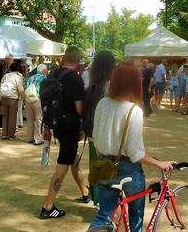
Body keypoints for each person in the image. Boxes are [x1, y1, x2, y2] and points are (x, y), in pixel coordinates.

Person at [87, 61, 175, 232]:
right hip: (128, 169)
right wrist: (160, 163)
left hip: (104, 165)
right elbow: (135, 153)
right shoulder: (134, 110)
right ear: (135, 83)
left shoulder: (102, 104)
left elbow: (95, 139)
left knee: (103, 215)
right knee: (135, 214)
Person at [39, 46, 90, 219]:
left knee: (72, 159)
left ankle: (85, 192)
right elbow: (79, 107)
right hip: (70, 126)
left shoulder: (54, 73)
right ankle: (48, 207)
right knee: (63, 164)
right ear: (77, 63)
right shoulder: (75, 79)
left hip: (56, 125)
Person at [83, 50, 116, 206]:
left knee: (96, 167)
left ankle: (97, 200)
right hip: (109, 138)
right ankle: (105, 203)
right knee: (108, 170)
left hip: (92, 135)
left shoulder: (90, 88)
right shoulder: (112, 88)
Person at [0, 62, 24, 139]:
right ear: (18, 69)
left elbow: (1, 85)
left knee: (5, 116)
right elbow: (20, 89)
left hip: (4, 97)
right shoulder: (18, 77)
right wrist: (23, 97)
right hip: (13, 98)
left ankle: (4, 133)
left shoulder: (5, 76)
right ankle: (10, 134)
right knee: (12, 117)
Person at [25, 64, 48, 145]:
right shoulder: (44, 78)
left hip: (28, 100)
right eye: (46, 70)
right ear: (44, 71)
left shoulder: (30, 78)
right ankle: (38, 139)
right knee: (38, 119)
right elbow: (45, 92)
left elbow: (26, 87)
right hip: (37, 100)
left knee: (30, 120)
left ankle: (30, 138)